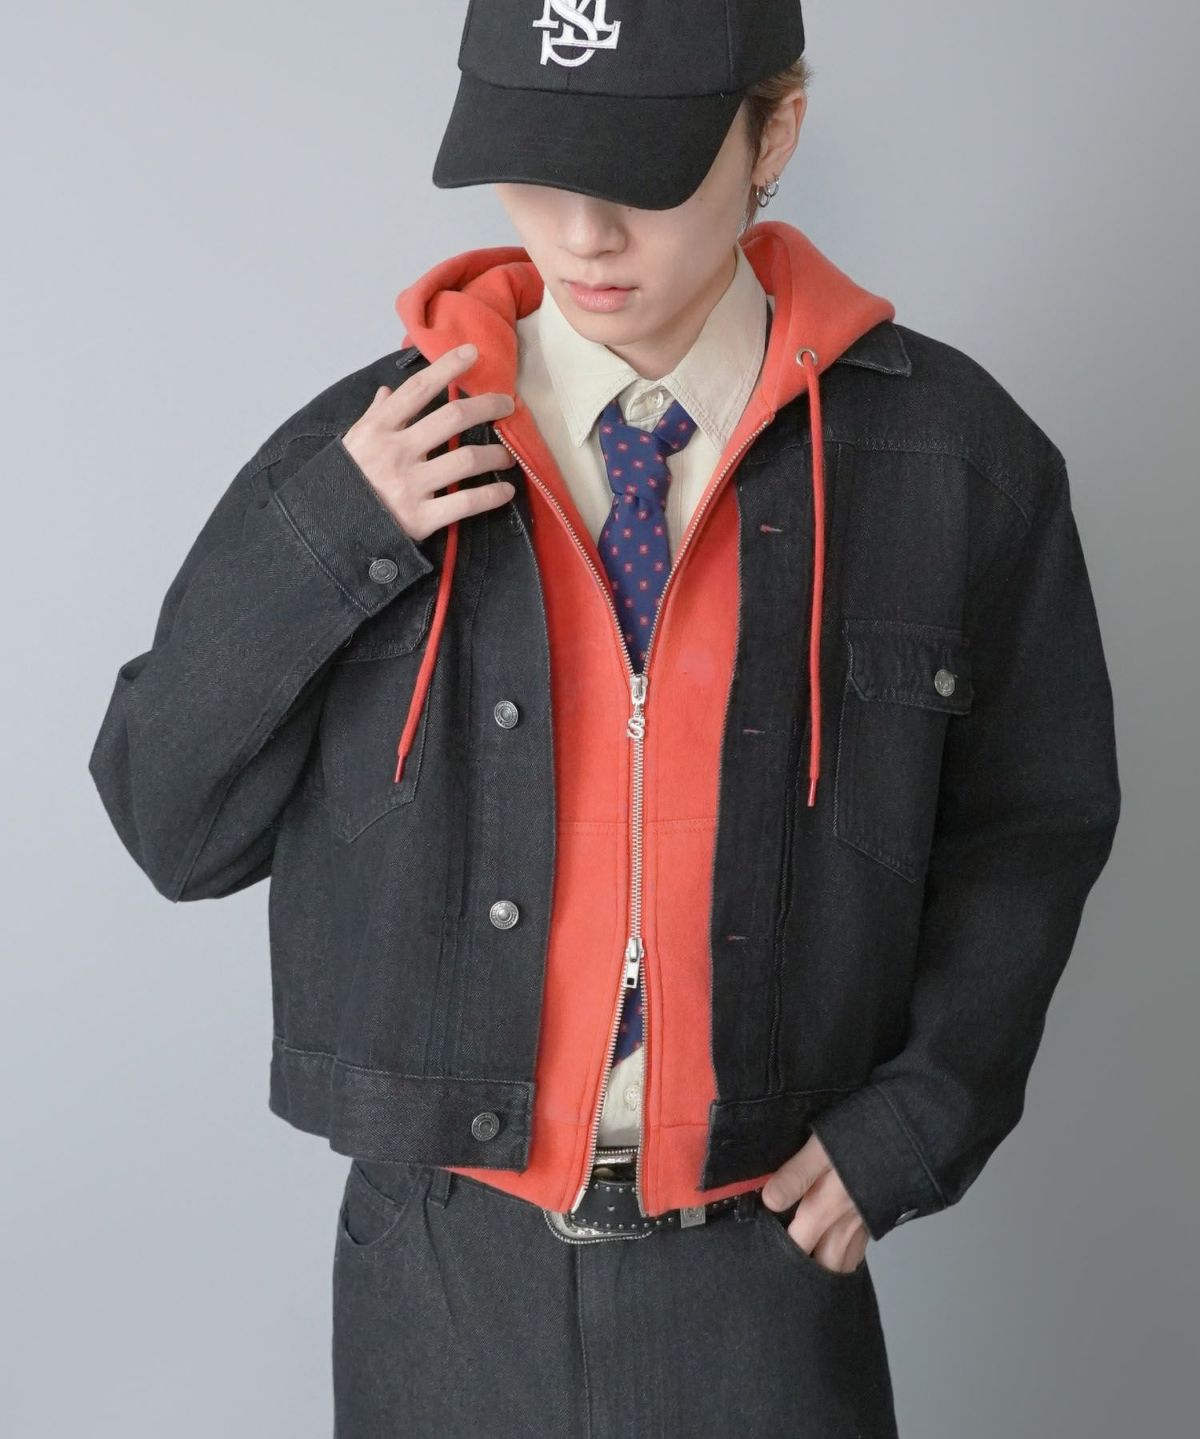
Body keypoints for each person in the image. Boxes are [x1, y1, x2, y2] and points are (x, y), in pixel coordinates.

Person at [87, 2, 1122, 1434]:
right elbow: (169, 821)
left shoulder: (952, 461)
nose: (583, 234)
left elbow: (1033, 825)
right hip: (442, 1277)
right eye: (536, 167)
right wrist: (331, 535)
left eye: (641, 172)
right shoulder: (375, 450)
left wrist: (926, 1112)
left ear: (774, 135)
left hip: (761, 1275)